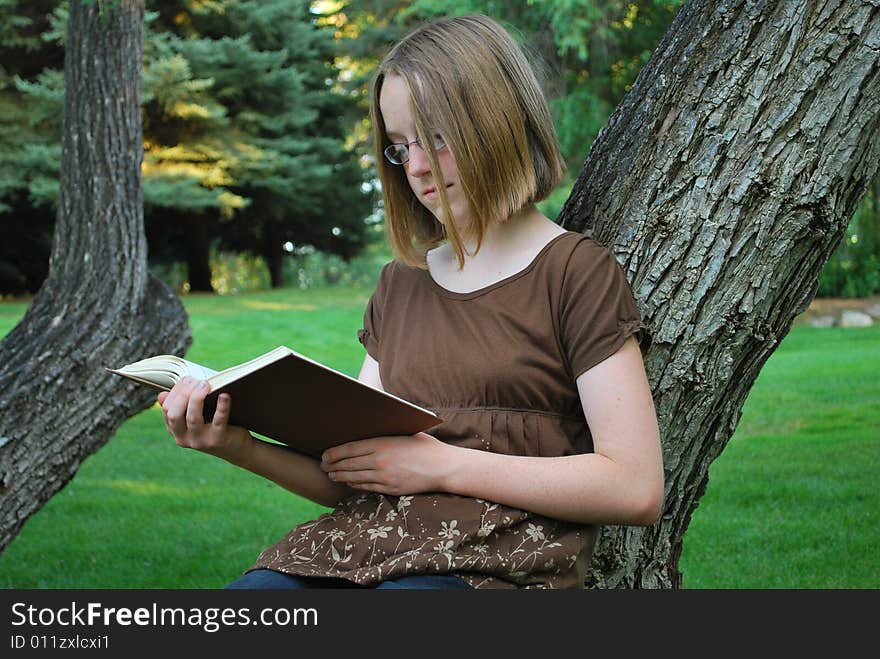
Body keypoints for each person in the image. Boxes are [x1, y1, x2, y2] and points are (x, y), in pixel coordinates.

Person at [157, 14, 663, 590]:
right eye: (401, 147)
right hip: (363, 549)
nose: (417, 168)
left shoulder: (574, 273)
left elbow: (635, 486)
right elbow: (352, 476)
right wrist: (238, 446)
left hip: (492, 566)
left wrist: (444, 465)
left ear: (497, 123)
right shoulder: (402, 282)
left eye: (438, 138)